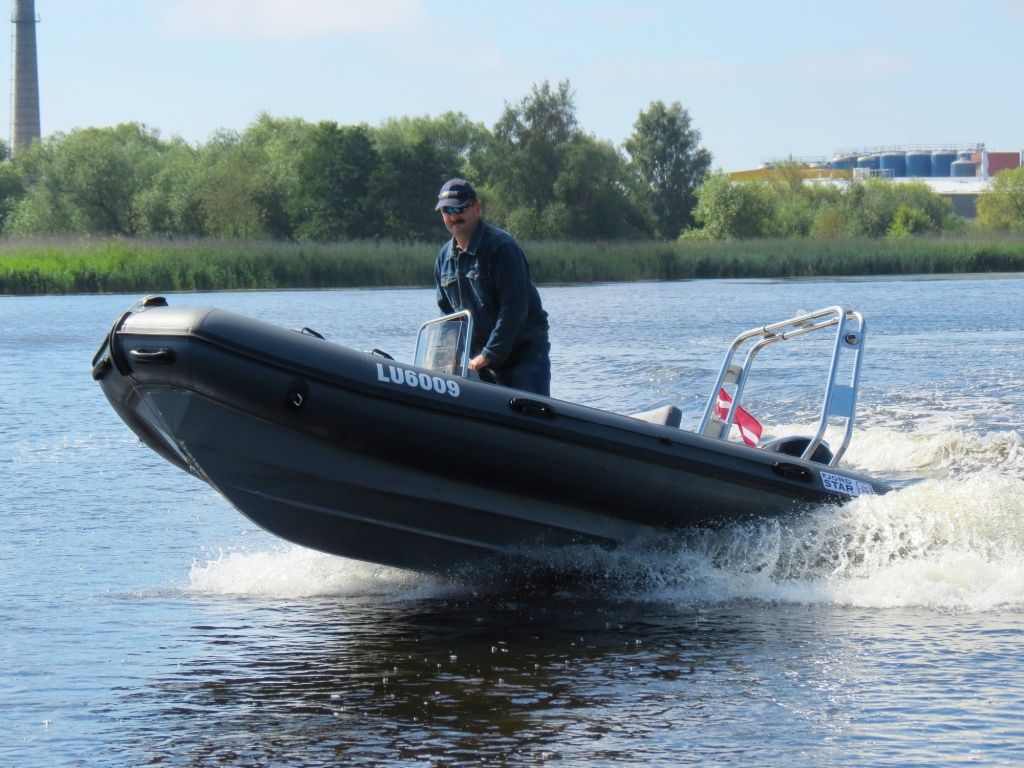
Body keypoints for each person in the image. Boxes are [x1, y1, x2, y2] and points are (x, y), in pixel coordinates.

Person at [433, 177, 551, 396]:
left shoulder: (501, 247)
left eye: (459, 208)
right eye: (446, 211)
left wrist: (488, 354)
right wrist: (444, 363)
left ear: (477, 208)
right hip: (480, 362)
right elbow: (448, 319)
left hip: (523, 355)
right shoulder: (443, 259)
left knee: (531, 413)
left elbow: (514, 309)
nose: (453, 216)